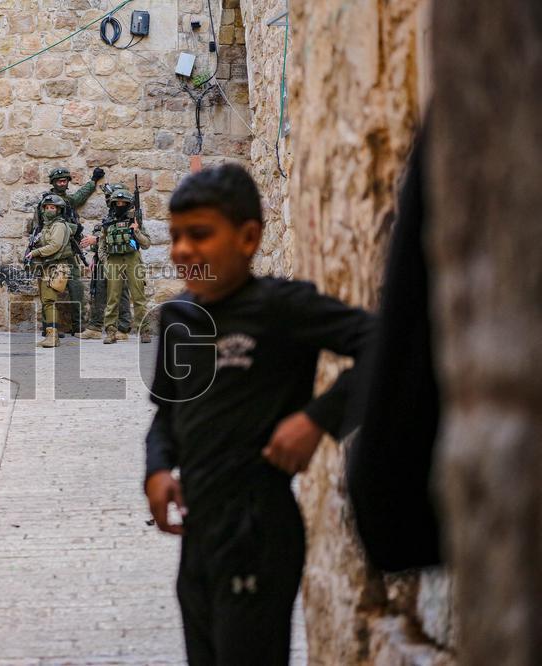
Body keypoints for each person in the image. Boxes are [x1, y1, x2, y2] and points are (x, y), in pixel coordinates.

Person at [145, 164, 376, 665]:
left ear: (248, 237)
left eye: (200, 235)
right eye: (176, 236)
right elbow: (166, 413)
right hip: (199, 531)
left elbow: (384, 343)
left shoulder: (281, 307)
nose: (183, 249)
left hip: (259, 526)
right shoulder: (180, 317)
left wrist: (317, 419)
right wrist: (158, 468)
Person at [30, 166, 104, 337]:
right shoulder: (46, 203)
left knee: (76, 287)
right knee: (49, 289)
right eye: (59, 181)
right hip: (51, 253)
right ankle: (49, 328)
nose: (62, 183)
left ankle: (78, 326)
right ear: (53, 182)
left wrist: (93, 181)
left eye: (64, 181)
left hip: (69, 251)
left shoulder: (68, 201)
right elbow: (40, 227)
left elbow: (79, 197)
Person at [100, 188, 152, 344]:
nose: (120, 205)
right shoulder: (108, 222)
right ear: (113, 204)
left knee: (138, 297)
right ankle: (111, 331)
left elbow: (146, 244)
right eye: (117, 203)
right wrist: (105, 261)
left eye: (123, 203)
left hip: (132, 260)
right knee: (112, 298)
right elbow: (102, 244)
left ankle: (144, 330)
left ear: (128, 204)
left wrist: (137, 231)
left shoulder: (135, 221)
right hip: (114, 260)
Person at [81, 183, 133, 340]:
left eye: (111, 197)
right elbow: (103, 237)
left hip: (120, 259)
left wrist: (96, 239)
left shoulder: (128, 217)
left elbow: (125, 238)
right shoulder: (109, 216)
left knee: (121, 293)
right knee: (98, 291)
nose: (109, 200)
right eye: (107, 197)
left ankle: (123, 329)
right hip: (103, 260)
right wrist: (95, 254)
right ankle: (95, 327)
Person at [25, 194, 74, 348]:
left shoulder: (58, 225)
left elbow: (55, 245)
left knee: (49, 301)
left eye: (52, 207)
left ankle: (52, 337)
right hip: (47, 266)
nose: (49, 210)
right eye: (46, 207)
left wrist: (36, 252)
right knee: (46, 301)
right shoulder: (47, 226)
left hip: (55, 267)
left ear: (59, 210)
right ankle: (50, 335)